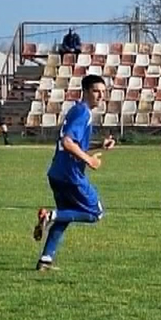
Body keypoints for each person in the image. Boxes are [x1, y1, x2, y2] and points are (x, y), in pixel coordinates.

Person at [33, 74, 116, 271]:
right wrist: (90, 160)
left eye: (103, 92)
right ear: (85, 91)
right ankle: (50, 216)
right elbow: (67, 142)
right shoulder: (83, 113)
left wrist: (99, 144)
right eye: (96, 91)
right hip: (70, 175)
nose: (100, 96)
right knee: (95, 213)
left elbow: (73, 142)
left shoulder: (76, 110)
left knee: (66, 215)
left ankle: (45, 259)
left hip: (57, 173)